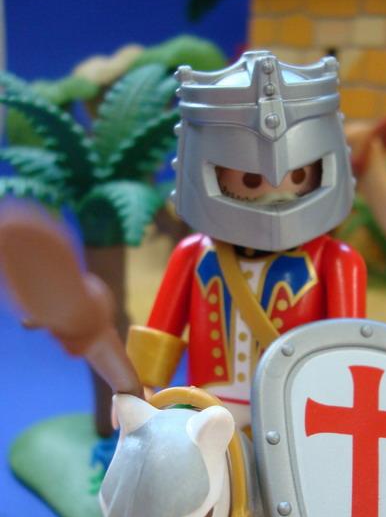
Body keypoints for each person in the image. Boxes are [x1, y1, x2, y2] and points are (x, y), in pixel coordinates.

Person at [127, 51, 367, 428]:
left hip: (297, 415)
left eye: (297, 176)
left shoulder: (337, 261)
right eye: (250, 180)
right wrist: (141, 387)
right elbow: (161, 333)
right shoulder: (194, 254)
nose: (276, 191)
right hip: (206, 411)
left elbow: (350, 351)